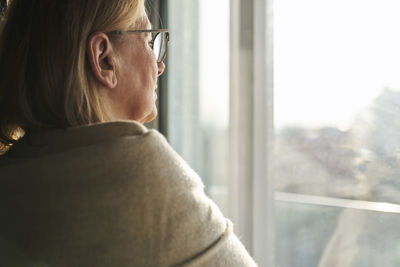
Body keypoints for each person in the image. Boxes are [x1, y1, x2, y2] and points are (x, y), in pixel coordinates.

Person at [0, 0, 258, 266]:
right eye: (149, 42)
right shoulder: (144, 168)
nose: (160, 67)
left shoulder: (12, 174)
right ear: (104, 59)